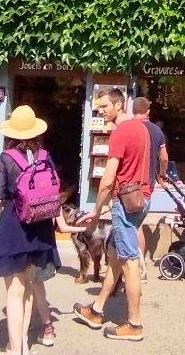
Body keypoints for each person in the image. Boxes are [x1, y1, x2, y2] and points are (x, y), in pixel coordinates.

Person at [0, 105, 84, 354]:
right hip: (40, 228)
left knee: (14, 292)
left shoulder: (6, 159)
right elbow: (53, 192)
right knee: (29, 288)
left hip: (15, 227)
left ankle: (16, 349)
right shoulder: (44, 156)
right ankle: (24, 344)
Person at [73, 87, 151, 342]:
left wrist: (96, 210)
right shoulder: (142, 128)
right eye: (99, 107)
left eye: (105, 106)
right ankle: (96, 310)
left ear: (119, 105)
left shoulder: (120, 132)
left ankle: (134, 324)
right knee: (115, 257)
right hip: (141, 197)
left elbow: (108, 178)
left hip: (125, 203)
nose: (101, 111)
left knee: (129, 262)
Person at [131, 95, 168, 283]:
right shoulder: (156, 130)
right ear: (148, 111)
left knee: (130, 226)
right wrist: (161, 174)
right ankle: (139, 266)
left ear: (132, 110)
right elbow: (164, 158)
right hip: (146, 185)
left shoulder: (127, 128)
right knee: (137, 225)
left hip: (128, 185)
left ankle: (134, 268)